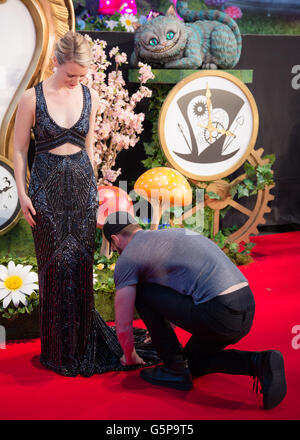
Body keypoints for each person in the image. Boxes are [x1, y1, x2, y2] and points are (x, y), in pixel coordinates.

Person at [13, 31, 158, 377]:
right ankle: (58, 352)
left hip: (81, 189)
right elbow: (19, 151)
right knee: (53, 269)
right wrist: (22, 194)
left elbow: (89, 149)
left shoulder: (90, 95)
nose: (76, 80)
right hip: (45, 193)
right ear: (55, 62)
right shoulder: (31, 100)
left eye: (81, 75)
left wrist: (94, 192)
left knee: (79, 268)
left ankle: (80, 344)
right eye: (70, 74)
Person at [103, 211, 287, 410]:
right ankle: (260, 362)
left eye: (113, 248)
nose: (116, 251)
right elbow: (182, 287)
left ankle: (174, 369)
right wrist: (164, 329)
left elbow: (123, 318)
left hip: (218, 313)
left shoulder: (128, 257)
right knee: (192, 363)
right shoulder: (173, 234)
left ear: (115, 239)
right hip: (245, 307)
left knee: (141, 291)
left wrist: (130, 356)